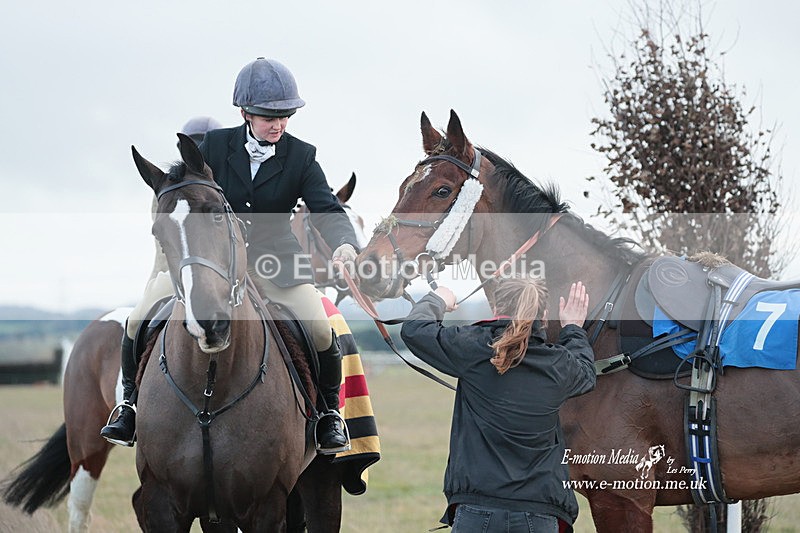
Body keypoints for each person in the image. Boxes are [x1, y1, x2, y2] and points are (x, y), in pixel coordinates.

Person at [101, 59, 358, 454]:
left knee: (321, 329)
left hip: (276, 264)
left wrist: (344, 243)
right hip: (212, 261)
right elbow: (182, 185)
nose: (279, 124)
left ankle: (327, 415)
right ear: (245, 113)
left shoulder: (302, 156)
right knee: (140, 317)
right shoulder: (215, 148)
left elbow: (327, 208)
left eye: (285, 115)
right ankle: (130, 406)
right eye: (270, 116)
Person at [400, 276, 596, 532]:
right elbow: (586, 372)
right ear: (545, 316)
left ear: (495, 309)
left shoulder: (472, 347)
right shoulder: (559, 365)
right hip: (539, 513)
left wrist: (438, 299)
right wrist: (572, 328)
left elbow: (415, 330)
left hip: (476, 510)